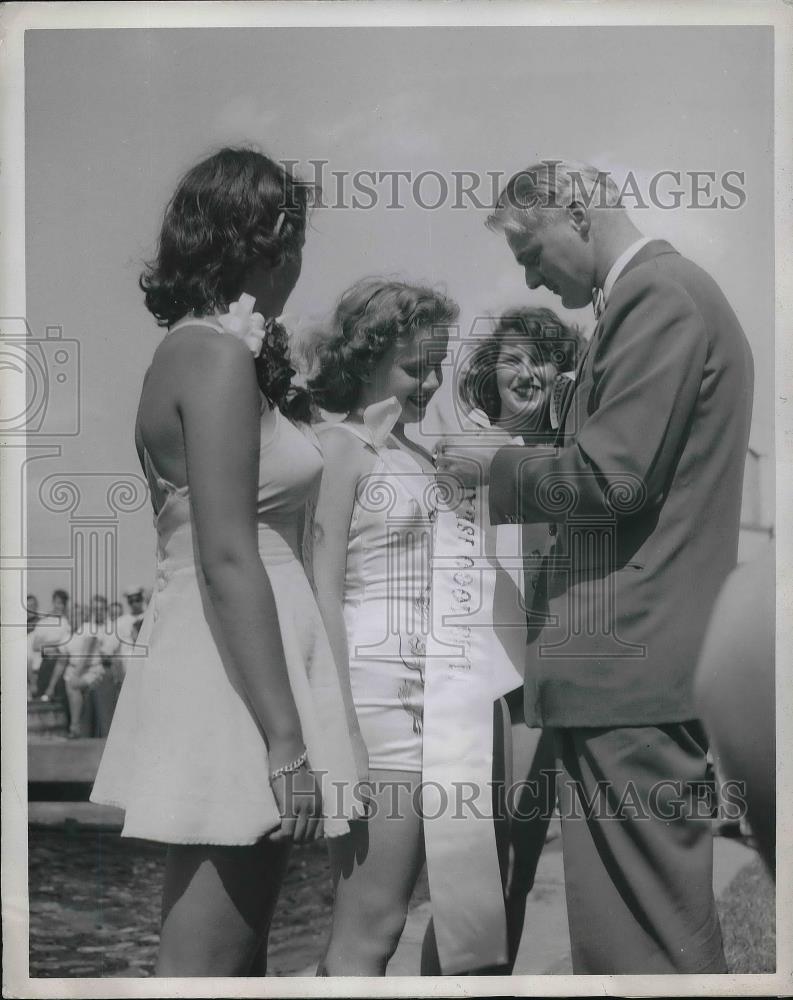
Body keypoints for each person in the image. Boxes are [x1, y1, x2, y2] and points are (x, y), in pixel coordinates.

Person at [437, 159, 754, 973]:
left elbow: (610, 477)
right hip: (621, 672)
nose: (528, 277)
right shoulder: (659, 298)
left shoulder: (658, 297)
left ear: (576, 212)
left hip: (627, 669)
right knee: (627, 945)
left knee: (646, 942)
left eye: (528, 248)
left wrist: (492, 468)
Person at [90, 147, 363, 977]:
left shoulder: (219, 349)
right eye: (293, 235)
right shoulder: (210, 355)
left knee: (242, 956)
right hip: (233, 669)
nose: (299, 258)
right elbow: (223, 555)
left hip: (252, 654)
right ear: (259, 241)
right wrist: (286, 742)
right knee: (211, 963)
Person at [308, 278, 456, 975]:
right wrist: (339, 736)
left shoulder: (418, 457)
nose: (428, 382)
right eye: (413, 368)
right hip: (374, 704)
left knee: (396, 920)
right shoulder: (337, 449)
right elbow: (320, 590)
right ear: (364, 356)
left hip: (434, 700)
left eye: (436, 366)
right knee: (371, 924)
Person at [457, 306, 584, 969]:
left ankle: (498, 975)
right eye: (512, 358)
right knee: (480, 855)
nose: (525, 372)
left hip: (546, 665)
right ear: (491, 369)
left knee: (524, 860)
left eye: (540, 360)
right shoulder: (466, 443)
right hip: (482, 669)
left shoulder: (573, 454)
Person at [31, 589, 71, 703]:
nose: (60, 606)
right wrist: (56, 644)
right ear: (53, 602)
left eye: (63, 603)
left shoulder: (66, 622)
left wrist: (50, 645)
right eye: (58, 603)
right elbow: (36, 646)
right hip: (44, 665)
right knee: (41, 700)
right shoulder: (43, 622)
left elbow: (67, 647)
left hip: (61, 666)